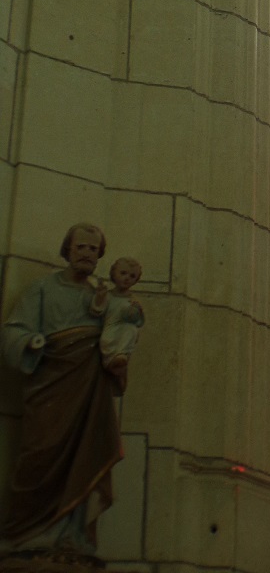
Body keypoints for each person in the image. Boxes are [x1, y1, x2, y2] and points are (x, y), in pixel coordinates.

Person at [1, 224, 124, 555]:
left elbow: (117, 338)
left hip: (89, 390)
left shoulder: (100, 299)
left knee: (86, 455)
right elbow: (13, 331)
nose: (86, 254)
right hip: (49, 388)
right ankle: (24, 533)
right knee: (39, 454)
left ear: (100, 257)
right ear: (67, 250)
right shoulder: (42, 289)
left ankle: (72, 534)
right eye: (80, 247)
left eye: (93, 250)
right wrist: (33, 341)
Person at [92, 257, 145, 372]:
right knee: (107, 339)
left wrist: (135, 312)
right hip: (110, 329)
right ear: (114, 274)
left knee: (131, 330)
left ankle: (121, 356)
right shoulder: (108, 296)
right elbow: (97, 312)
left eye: (132, 276)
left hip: (123, 333)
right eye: (123, 273)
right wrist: (100, 298)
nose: (127, 278)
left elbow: (139, 321)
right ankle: (109, 360)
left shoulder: (132, 301)